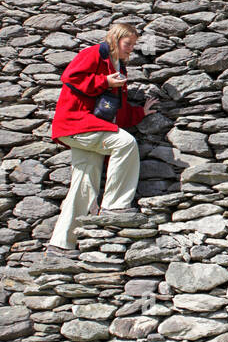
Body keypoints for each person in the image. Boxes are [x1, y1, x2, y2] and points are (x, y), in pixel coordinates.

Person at [49, 21, 158, 252]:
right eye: (128, 44)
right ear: (115, 39)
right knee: (126, 142)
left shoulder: (119, 67)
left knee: (84, 183)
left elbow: (114, 107)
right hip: (77, 123)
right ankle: (114, 206)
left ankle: (61, 245)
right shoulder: (94, 54)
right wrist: (104, 81)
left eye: (133, 45)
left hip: (85, 127)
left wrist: (140, 112)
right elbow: (71, 78)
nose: (131, 49)